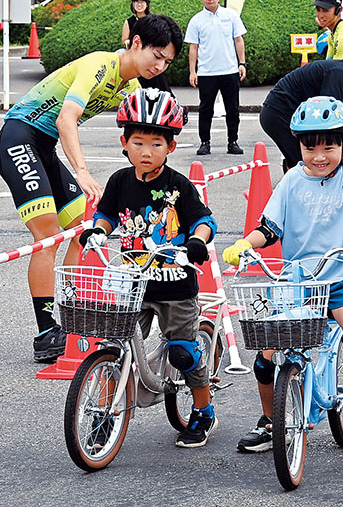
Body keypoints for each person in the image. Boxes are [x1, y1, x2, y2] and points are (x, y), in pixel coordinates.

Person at [223, 96, 343, 453]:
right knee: (265, 353)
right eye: (310, 147)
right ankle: (269, 420)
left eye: (329, 146)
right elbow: (270, 228)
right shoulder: (291, 181)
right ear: (299, 146)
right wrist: (246, 242)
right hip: (299, 283)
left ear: (342, 143)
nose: (319, 155)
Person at [0, 14, 182, 362]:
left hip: (45, 146)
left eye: (167, 62)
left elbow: (140, 137)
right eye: (156, 56)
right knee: (48, 235)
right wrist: (81, 171)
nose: (160, 66)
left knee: (79, 231)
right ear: (137, 43)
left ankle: (68, 315)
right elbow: (65, 118)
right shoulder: (100, 65)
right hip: (18, 137)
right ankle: (45, 331)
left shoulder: (130, 87)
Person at [79, 88, 218, 448]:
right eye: (138, 142)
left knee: (183, 351)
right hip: (132, 282)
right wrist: (97, 231)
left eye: (156, 143)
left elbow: (203, 220)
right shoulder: (119, 181)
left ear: (171, 147)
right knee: (114, 343)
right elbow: (106, 215)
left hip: (174, 284)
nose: (146, 151)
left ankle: (203, 411)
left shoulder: (178, 186)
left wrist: (198, 241)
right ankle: (102, 414)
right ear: (124, 142)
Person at [260, 42, 343, 171]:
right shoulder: (341, 74)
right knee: (307, 161)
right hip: (278, 113)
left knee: (307, 160)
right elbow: (327, 120)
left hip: (291, 113)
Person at [186, 0, 247, 156]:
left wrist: (241, 63)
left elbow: (238, 40)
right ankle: (205, 142)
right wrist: (193, 71)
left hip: (229, 70)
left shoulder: (231, 16)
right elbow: (193, 47)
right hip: (206, 72)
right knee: (206, 109)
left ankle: (233, 141)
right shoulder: (196, 20)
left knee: (233, 109)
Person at [121, 0, 172, 95]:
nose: (139, 4)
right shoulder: (129, 22)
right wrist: (128, 42)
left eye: (142, 2)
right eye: (136, 2)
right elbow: (124, 40)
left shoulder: (153, 20)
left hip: (150, 58)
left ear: (147, 4)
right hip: (136, 59)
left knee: (160, 83)